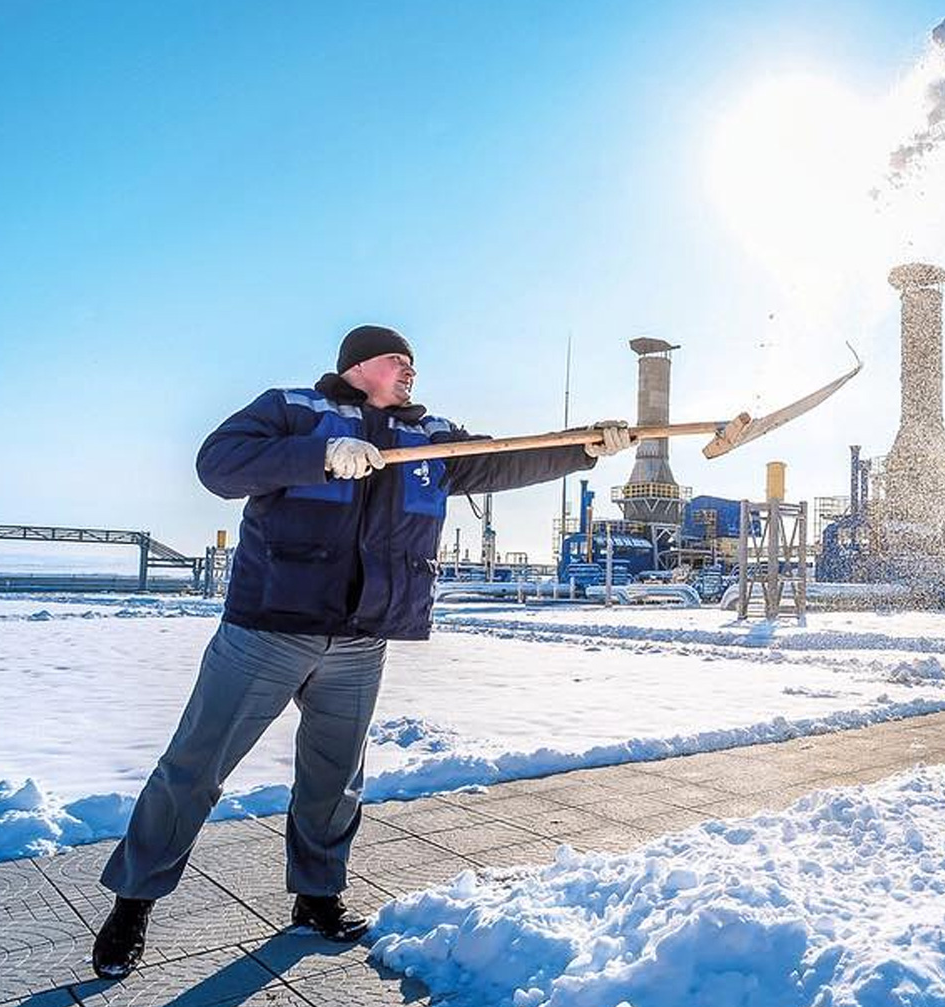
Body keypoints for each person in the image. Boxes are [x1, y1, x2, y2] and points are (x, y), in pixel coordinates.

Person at [89, 324, 632, 978]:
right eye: (397, 360)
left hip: (361, 637)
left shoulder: (429, 435)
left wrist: (586, 447)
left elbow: (506, 457)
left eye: (413, 363)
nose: (410, 371)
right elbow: (219, 463)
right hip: (267, 625)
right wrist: (316, 455)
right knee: (195, 765)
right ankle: (134, 900)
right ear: (357, 365)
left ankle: (317, 895)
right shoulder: (295, 409)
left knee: (334, 774)